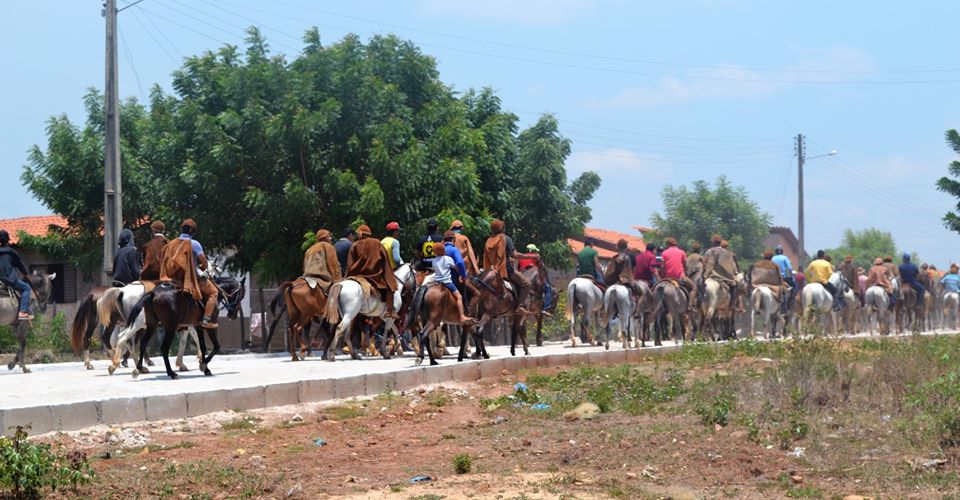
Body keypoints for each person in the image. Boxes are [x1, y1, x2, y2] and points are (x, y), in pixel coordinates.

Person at [159, 219, 219, 329]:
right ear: (192, 231)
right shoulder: (194, 244)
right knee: (214, 292)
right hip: (191, 279)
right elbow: (205, 263)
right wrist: (202, 267)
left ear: (181, 229)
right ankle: (206, 320)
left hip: (173, 278)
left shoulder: (172, 243)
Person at [482, 219, 538, 312]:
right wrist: (532, 256)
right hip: (505, 269)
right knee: (526, 284)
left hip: (490, 270)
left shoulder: (489, 240)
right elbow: (514, 255)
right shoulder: (506, 239)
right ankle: (519, 306)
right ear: (502, 228)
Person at [346, 225, 399, 318]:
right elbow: (385, 261)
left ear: (361, 234)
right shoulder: (377, 243)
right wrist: (389, 275)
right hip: (374, 277)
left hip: (357, 276)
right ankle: (390, 310)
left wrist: (346, 277)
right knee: (390, 286)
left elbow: (349, 265)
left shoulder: (354, 244)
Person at [431, 242, 474, 323]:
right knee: (459, 297)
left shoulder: (434, 260)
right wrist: (461, 275)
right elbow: (456, 268)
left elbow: (434, 270)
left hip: (437, 282)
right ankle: (462, 316)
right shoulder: (448, 259)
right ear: (443, 250)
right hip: (447, 283)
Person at [702, 234, 742, 312]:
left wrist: (705, 275)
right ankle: (732, 304)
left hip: (712, 275)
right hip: (726, 277)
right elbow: (732, 267)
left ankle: (696, 304)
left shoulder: (709, 251)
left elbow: (707, 263)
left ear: (713, 243)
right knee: (735, 286)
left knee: (698, 287)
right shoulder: (729, 253)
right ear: (720, 243)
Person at [0, 230, 33, 320]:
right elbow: (20, 264)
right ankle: (22, 312)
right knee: (27, 288)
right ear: (7, 240)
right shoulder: (11, 252)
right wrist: (25, 274)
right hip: (8, 279)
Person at [661, 238, 695, 303]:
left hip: (668, 277)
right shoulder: (682, 252)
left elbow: (662, 267)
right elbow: (685, 265)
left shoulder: (664, 253)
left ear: (668, 244)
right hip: (680, 277)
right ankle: (690, 306)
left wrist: (662, 277)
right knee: (694, 288)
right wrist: (686, 273)